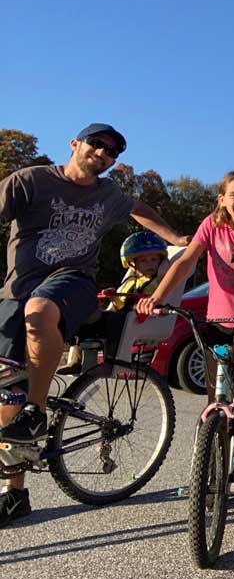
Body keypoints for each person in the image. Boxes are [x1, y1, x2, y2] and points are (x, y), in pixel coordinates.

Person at [0, 122, 188, 527]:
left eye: (113, 152)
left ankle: (37, 408)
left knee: (40, 311)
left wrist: (175, 238)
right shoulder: (29, 181)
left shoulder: (108, 195)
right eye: (97, 144)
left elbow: (141, 210)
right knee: (4, 391)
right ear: (74, 143)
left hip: (74, 284)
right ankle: (14, 491)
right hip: (16, 289)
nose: (104, 153)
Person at [137, 170, 234, 521]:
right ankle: (212, 473)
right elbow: (185, 260)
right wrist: (157, 295)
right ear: (222, 199)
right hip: (219, 325)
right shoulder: (212, 226)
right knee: (217, 402)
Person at [60, 231, 168, 374]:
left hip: (138, 319)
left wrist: (164, 265)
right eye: (143, 260)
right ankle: (76, 360)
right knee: (84, 319)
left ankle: (111, 360)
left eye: (154, 259)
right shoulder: (131, 280)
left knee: (114, 320)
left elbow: (166, 273)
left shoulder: (160, 280)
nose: (150, 264)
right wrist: (112, 295)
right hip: (120, 316)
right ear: (132, 264)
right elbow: (119, 303)